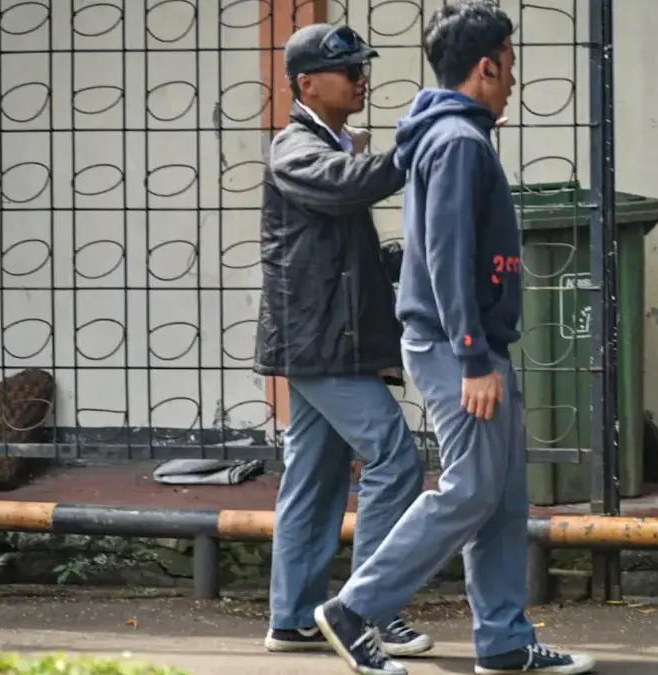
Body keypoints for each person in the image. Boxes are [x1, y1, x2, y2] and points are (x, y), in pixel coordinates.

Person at [309, 3, 596, 675]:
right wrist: (472, 355)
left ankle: (503, 639)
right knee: (471, 488)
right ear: (486, 66)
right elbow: (445, 255)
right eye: (511, 65)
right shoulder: (459, 143)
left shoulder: (451, 134)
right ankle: (356, 607)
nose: (515, 79)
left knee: (502, 496)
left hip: (465, 343)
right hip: (455, 345)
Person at [254, 22, 433, 659]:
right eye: (349, 70)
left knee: (316, 475)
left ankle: (294, 617)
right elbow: (347, 184)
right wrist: (419, 140)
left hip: (326, 337)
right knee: (395, 459)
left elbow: (335, 240)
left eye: (363, 67)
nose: (362, 78)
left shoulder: (330, 142)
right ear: (307, 83)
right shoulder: (294, 147)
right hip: (319, 342)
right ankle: (365, 610)